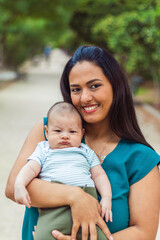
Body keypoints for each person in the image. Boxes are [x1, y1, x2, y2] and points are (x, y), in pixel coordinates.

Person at [5, 45, 160, 240]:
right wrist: (76, 197)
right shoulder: (49, 132)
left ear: (116, 86)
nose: (85, 98)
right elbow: (13, 188)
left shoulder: (140, 159)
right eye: (76, 89)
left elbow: (144, 233)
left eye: (94, 86)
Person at [14, 101, 112, 240]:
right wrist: (19, 184)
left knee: (100, 236)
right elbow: (30, 168)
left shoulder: (85, 151)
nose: (65, 136)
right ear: (47, 132)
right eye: (58, 131)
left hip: (88, 203)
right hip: (54, 206)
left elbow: (99, 175)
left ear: (82, 133)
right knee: (43, 236)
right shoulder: (44, 149)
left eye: (72, 131)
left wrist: (107, 198)